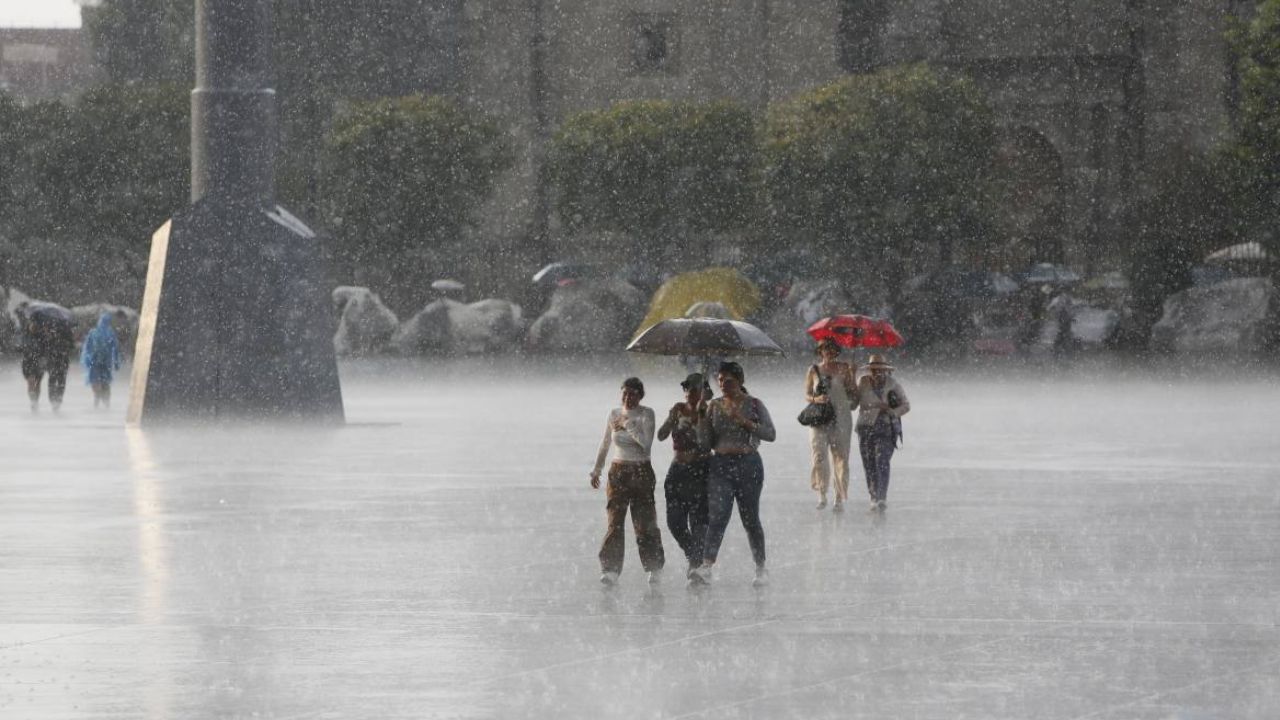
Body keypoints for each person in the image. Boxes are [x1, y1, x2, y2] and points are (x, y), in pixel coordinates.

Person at [690, 361, 776, 587]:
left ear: (740, 381)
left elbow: (770, 434)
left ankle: (760, 567)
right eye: (720, 380)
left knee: (750, 519)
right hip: (720, 465)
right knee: (718, 516)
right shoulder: (713, 406)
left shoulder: (754, 404)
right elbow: (704, 443)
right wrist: (700, 417)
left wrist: (745, 422)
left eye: (728, 380)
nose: (723, 385)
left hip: (748, 464)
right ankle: (707, 566)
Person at [589, 377, 664, 586]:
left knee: (644, 522)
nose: (628, 397)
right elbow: (605, 443)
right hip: (618, 470)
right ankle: (610, 569)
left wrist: (627, 424)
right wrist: (596, 470)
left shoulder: (646, 414)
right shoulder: (613, 413)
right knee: (615, 521)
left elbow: (646, 444)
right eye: (625, 393)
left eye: (633, 393)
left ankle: (654, 566)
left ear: (640, 395)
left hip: (641, 470)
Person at [656, 372, 710, 579]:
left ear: (703, 392)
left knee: (698, 520)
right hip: (678, 468)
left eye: (694, 389)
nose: (689, 393)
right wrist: (671, 420)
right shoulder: (678, 409)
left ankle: (696, 563)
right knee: (675, 521)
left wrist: (700, 420)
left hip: (700, 469)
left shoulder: (709, 411)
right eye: (687, 389)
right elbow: (661, 436)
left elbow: (709, 443)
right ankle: (693, 555)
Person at [852, 354, 911, 512]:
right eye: (874, 369)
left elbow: (906, 405)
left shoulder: (893, 384)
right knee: (869, 464)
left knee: (882, 462)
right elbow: (853, 403)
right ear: (870, 369)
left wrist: (891, 410)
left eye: (880, 369)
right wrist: (851, 380)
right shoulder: (863, 382)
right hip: (865, 427)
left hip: (886, 427)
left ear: (886, 370)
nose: (877, 372)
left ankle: (882, 497)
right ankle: (873, 497)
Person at [804, 338, 857, 511]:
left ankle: (838, 497)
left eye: (831, 349)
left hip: (841, 417)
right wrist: (816, 398)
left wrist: (853, 374)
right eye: (824, 349)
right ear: (820, 352)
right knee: (819, 456)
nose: (828, 352)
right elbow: (806, 394)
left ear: (836, 351)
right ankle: (822, 494)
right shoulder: (813, 370)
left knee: (841, 457)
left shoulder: (844, 368)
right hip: (819, 418)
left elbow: (852, 395)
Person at [16, 302, 74, 413]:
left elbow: (61, 345)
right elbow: (20, 345)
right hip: (31, 360)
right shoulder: (26, 332)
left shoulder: (46, 333)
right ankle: (35, 402)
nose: (34, 325)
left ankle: (52, 403)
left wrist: (52, 338)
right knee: (34, 382)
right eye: (32, 322)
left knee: (44, 381)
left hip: (42, 360)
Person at [80, 312, 123, 409]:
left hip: (94, 361)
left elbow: (87, 348)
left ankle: (97, 398)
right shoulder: (111, 333)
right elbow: (115, 349)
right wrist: (116, 362)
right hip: (106, 362)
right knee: (106, 381)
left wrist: (87, 360)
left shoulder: (93, 332)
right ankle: (106, 402)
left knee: (94, 380)